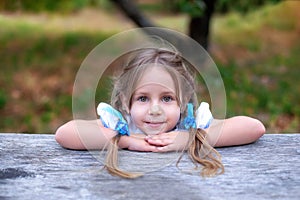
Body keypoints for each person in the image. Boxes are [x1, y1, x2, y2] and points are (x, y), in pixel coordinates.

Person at [55, 45, 265, 179]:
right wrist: (126, 141)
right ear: (126, 103)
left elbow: (254, 128)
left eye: (166, 98)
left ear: (182, 103)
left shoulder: (188, 124)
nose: (155, 110)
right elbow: (65, 134)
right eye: (143, 98)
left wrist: (190, 138)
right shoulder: (124, 125)